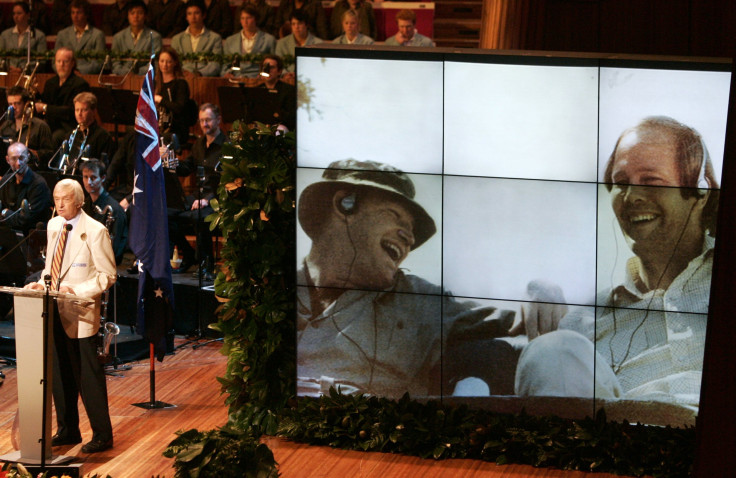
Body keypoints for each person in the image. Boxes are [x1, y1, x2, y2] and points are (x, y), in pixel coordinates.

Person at [297, 159, 564, 398]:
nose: (410, 238)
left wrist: (540, 292)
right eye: (395, 216)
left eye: (412, 230)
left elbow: (522, 322)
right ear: (344, 204)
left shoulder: (421, 302)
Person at [515, 117, 718, 411]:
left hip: (714, 444)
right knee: (551, 350)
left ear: (701, 191)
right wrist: (538, 300)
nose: (631, 197)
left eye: (651, 181)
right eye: (621, 183)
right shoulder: (580, 324)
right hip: (619, 445)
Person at [25, 179, 116, 454]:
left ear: (79, 201)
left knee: (88, 377)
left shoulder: (96, 231)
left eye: (65, 199)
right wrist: (43, 283)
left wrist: (74, 290)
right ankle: (68, 430)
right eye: (56, 198)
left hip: (81, 312)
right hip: (53, 308)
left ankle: (102, 435)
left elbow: (107, 275)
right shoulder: (54, 225)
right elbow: (51, 265)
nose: (59, 204)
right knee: (60, 374)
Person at [170, 103, 225, 275]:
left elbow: (225, 180)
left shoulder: (227, 145)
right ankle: (187, 254)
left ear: (218, 120)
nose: (204, 124)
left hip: (217, 199)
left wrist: (207, 199)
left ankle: (206, 265)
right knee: (168, 212)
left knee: (200, 217)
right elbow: (186, 167)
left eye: (208, 120)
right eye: (201, 121)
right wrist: (170, 161)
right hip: (198, 196)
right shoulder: (199, 144)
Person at [35, 48, 90, 148]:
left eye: (65, 61)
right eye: (58, 61)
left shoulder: (80, 84)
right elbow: (44, 102)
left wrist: (45, 108)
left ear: (73, 63)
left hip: (68, 127)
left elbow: (70, 111)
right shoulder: (50, 83)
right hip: (50, 125)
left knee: (55, 137)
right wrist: (35, 94)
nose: (61, 65)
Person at [81, 159, 128, 264]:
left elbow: (116, 249)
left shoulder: (115, 210)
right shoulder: (84, 205)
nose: (88, 182)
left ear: (102, 178)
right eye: (85, 177)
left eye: (93, 177)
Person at [0, 142, 52, 235]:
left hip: (31, 237)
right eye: (14, 159)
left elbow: (26, 220)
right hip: (8, 233)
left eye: (21, 158)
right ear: (7, 160)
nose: (18, 163)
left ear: (28, 157)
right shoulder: (5, 180)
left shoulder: (38, 184)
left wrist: (5, 213)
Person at [0, 86, 54, 167]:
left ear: (26, 104)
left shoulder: (40, 126)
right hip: (8, 171)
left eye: (17, 103)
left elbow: (50, 154)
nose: (13, 108)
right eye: (10, 104)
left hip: (31, 171)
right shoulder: (5, 126)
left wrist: (34, 153)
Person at [154, 46, 194, 148]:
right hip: (158, 127)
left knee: (159, 139)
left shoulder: (181, 84)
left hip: (176, 130)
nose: (164, 65)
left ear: (175, 63)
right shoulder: (155, 83)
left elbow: (180, 108)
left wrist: (161, 100)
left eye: (168, 62)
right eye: (162, 61)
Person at [63, 92, 116, 169]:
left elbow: (105, 166)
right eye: (77, 110)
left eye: (84, 110)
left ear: (94, 111)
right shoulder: (70, 135)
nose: (79, 114)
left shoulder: (104, 136)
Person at [171, 1, 224, 77]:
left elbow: (215, 64)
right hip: (182, 77)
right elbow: (174, 62)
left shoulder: (215, 38)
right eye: (189, 14)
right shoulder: (177, 39)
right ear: (186, 17)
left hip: (204, 79)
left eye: (196, 13)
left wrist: (198, 73)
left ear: (204, 15)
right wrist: (183, 73)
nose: (193, 17)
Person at [222, 4, 276, 78]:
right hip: (236, 77)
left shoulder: (269, 39)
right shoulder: (230, 40)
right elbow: (225, 65)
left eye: (249, 18)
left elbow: (273, 64)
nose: (245, 21)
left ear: (256, 19)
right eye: (242, 18)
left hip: (259, 78)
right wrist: (228, 73)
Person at [111, 0, 163, 76]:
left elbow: (155, 63)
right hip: (122, 77)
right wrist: (126, 72)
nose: (136, 16)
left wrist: (137, 73)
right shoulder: (118, 37)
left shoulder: (155, 37)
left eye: (140, 13)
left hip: (145, 77)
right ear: (127, 15)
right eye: (132, 13)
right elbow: (115, 63)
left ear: (145, 16)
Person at [54, 0, 107, 75]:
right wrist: (66, 71)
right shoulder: (62, 34)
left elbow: (99, 62)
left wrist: (80, 72)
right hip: (65, 75)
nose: (75, 16)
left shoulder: (97, 35)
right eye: (73, 12)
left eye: (79, 12)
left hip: (88, 76)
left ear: (86, 15)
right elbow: (54, 60)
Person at [0, 1, 48, 72]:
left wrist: (22, 69)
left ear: (28, 15)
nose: (16, 16)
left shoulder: (39, 35)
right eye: (14, 14)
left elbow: (42, 60)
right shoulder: (5, 35)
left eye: (19, 13)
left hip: (28, 74)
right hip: (8, 73)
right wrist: (7, 68)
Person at [253, 54, 296, 131]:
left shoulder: (288, 90)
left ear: (279, 71)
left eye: (272, 67)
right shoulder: (257, 90)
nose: (268, 70)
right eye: (265, 67)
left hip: (281, 126)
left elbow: (290, 117)